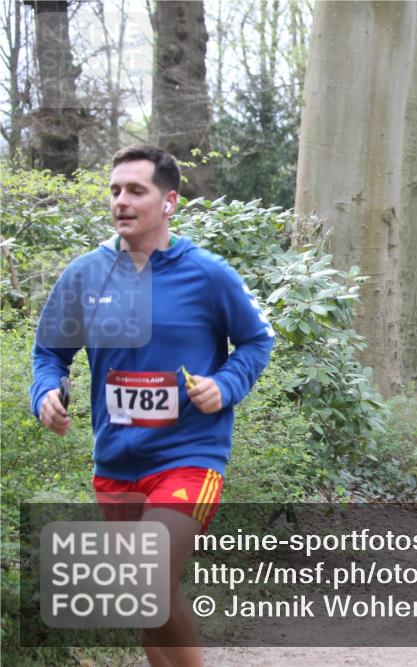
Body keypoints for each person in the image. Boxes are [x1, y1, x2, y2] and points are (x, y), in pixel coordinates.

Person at [31, 144, 275, 666]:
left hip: (189, 456)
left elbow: (258, 341)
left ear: (169, 202)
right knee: (144, 598)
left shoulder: (207, 274)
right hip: (116, 464)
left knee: (148, 575)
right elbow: (50, 353)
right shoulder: (85, 275)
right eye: (115, 190)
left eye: (135, 190)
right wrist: (45, 393)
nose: (121, 201)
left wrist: (226, 384)